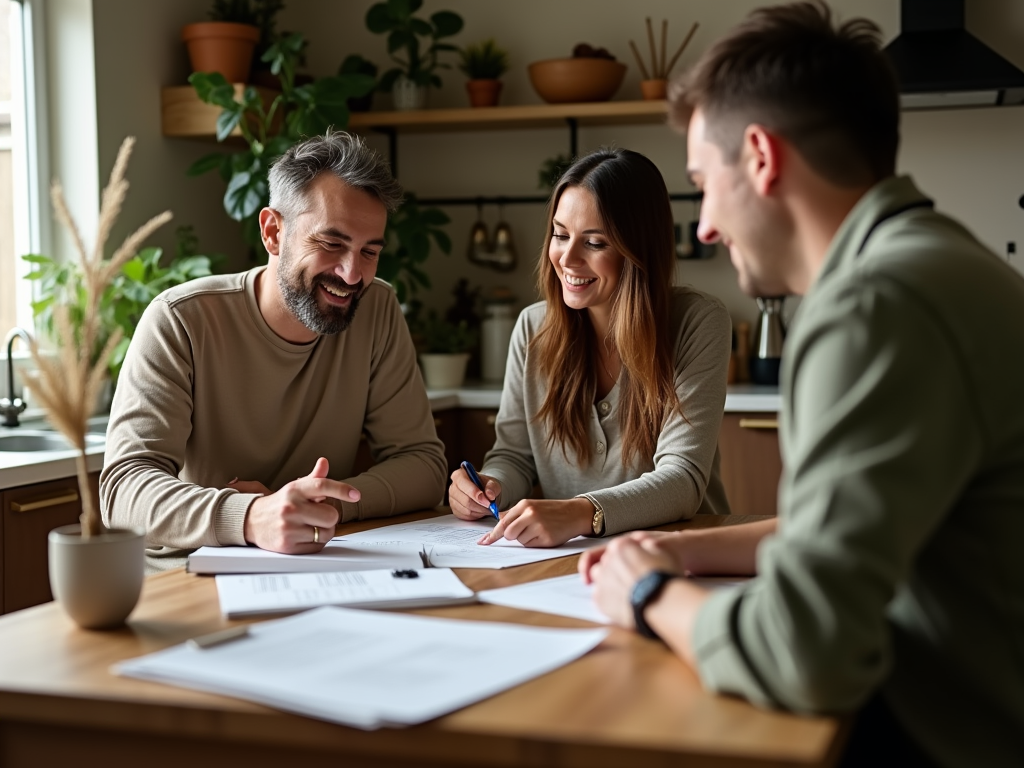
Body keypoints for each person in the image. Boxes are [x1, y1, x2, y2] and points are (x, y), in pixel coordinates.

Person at [579, 3, 1024, 767]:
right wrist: (683, 557)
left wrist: (651, 598)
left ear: (760, 157)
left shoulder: (873, 305)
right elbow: (851, 531)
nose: (707, 227)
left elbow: (803, 652)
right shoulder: (934, 263)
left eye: (702, 183)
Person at [101, 131, 447, 573]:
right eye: (331, 244)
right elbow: (123, 493)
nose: (352, 273)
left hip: (314, 562)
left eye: (369, 252)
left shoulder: (376, 309)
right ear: (273, 232)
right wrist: (250, 516)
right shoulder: (181, 319)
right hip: (187, 575)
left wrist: (317, 505)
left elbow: (423, 465)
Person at [449, 148, 732, 547]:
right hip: (568, 558)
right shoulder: (532, 327)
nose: (567, 258)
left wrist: (581, 512)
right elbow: (514, 456)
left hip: (680, 554)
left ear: (639, 251)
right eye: (560, 235)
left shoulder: (698, 322)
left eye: (595, 243)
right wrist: (489, 488)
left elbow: (682, 479)